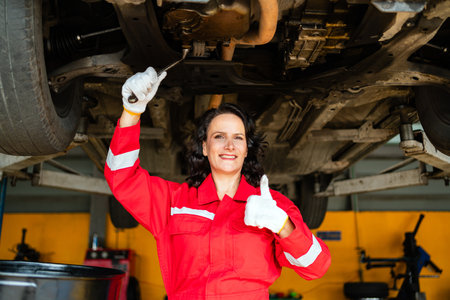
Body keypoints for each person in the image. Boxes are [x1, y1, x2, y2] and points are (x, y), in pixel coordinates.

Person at [105, 67, 331, 300]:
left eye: (238, 138)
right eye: (219, 136)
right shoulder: (173, 202)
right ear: (204, 147)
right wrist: (131, 111)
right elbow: (121, 177)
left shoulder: (273, 207)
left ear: (246, 150)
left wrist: (283, 226)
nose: (229, 146)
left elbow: (316, 267)